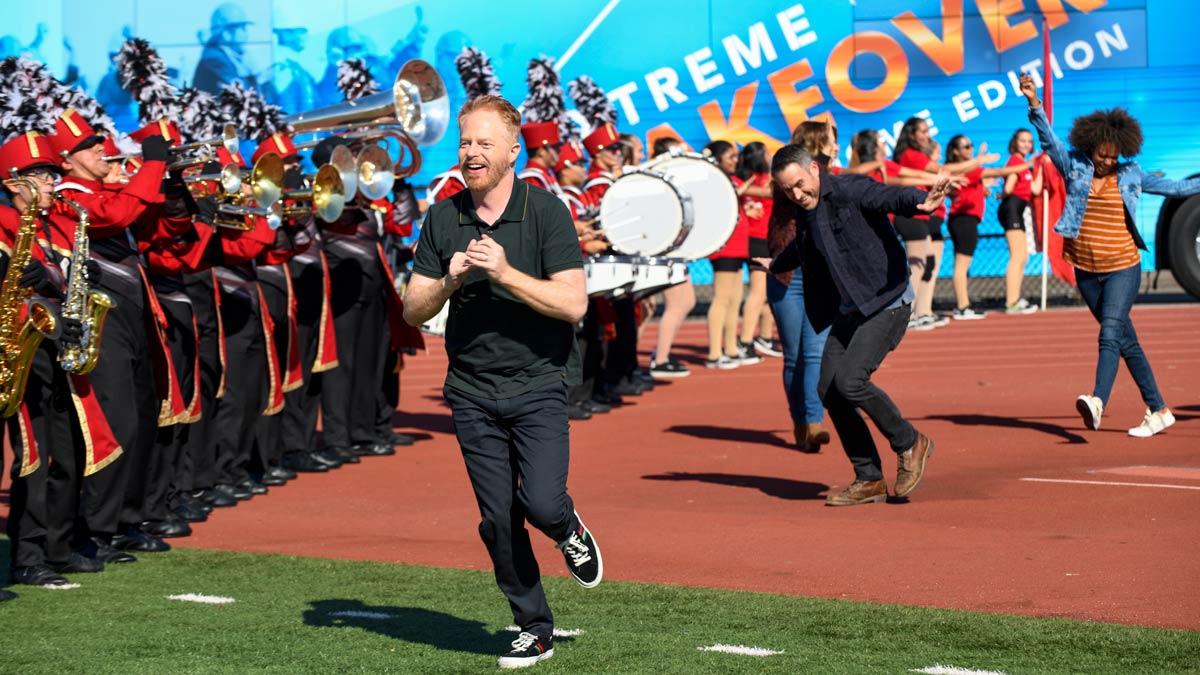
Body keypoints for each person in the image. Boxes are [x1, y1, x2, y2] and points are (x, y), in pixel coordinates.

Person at [402, 95, 601, 668]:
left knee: (540, 501)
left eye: (484, 143)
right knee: (496, 519)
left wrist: (506, 273)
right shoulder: (442, 217)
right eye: (466, 142)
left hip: (538, 381)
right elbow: (415, 309)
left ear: (513, 151)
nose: (471, 153)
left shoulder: (547, 212)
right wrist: (450, 281)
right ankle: (533, 625)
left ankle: (566, 528)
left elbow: (572, 303)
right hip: (470, 389)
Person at [757, 144, 950, 506]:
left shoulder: (848, 189)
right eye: (788, 190)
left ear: (814, 169)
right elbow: (804, 247)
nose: (797, 194)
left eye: (800, 184)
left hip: (887, 301)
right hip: (851, 310)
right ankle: (869, 478)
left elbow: (886, 196)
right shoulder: (804, 212)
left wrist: (921, 202)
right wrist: (776, 264)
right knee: (829, 390)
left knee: (850, 382)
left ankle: (910, 442)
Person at [1019, 74, 1199, 437]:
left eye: (1112, 156)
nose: (1105, 161)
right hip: (1085, 268)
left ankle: (1098, 400)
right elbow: (1047, 139)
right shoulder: (1075, 166)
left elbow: (1178, 188)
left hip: (1122, 267)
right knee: (1125, 341)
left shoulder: (1130, 173)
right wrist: (1034, 103)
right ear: (1090, 146)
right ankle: (1159, 409)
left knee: (1110, 333)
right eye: (1101, 154)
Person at [893, 117, 996, 329]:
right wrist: (978, 160)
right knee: (918, 267)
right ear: (911, 135)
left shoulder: (916, 156)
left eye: (928, 131)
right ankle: (908, 315)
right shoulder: (910, 155)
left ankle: (921, 312)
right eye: (922, 131)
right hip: (913, 215)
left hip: (924, 215)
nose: (927, 135)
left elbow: (935, 175)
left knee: (926, 266)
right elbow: (940, 171)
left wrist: (950, 181)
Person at [942, 134, 1030, 318]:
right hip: (963, 219)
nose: (970, 149)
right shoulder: (970, 169)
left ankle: (963, 305)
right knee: (961, 265)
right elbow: (998, 172)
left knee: (963, 264)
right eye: (966, 146)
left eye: (971, 145)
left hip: (965, 219)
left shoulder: (969, 170)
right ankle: (963, 306)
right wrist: (1029, 163)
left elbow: (970, 188)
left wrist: (984, 187)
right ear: (956, 151)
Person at [705, 140, 761, 369]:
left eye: (736, 156)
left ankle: (730, 348)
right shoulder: (713, 180)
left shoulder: (735, 180)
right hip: (724, 245)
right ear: (717, 159)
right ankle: (714, 353)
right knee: (722, 298)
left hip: (739, 245)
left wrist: (747, 206)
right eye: (730, 156)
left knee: (735, 298)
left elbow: (750, 198)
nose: (735, 160)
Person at [648, 136, 696, 378]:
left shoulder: (669, 180)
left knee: (683, 301)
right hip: (663, 249)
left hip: (672, 248)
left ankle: (660, 355)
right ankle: (660, 359)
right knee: (677, 302)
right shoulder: (654, 179)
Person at [735, 141, 781, 359]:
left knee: (767, 293)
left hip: (766, 240)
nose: (770, 156)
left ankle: (765, 336)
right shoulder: (756, 181)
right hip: (757, 241)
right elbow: (765, 193)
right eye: (767, 153)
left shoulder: (759, 179)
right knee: (758, 292)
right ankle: (745, 341)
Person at [999, 128, 1043, 314]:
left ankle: (1015, 299)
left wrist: (1041, 168)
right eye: (1022, 140)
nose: (1026, 144)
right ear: (1015, 143)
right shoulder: (1015, 162)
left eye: (1029, 141)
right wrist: (1002, 193)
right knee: (1017, 256)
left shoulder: (1025, 165)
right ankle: (1011, 302)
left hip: (1018, 208)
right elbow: (1009, 187)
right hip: (1011, 208)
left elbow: (1034, 189)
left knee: (1023, 255)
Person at [193, 3, 257, 95]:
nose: (245, 33)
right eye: (242, 27)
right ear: (226, 34)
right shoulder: (214, 60)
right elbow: (241, 93)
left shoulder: (227, 56)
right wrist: (257, 78)